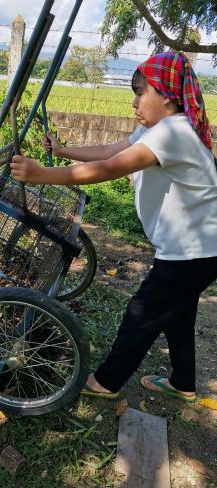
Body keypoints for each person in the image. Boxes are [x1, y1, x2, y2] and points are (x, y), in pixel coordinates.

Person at [11, 51, 217, 402]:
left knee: (143, 312)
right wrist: (63, 152)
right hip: (200, 248)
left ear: (166, 95)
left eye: (141, 92)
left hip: (194, 251)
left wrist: (42, 174)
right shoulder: (157, 128)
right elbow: (110, 150)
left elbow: (111, 168)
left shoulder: (172, 132)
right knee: (178, 313)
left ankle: (105, 382)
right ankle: (183, 384)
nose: (134, 102)